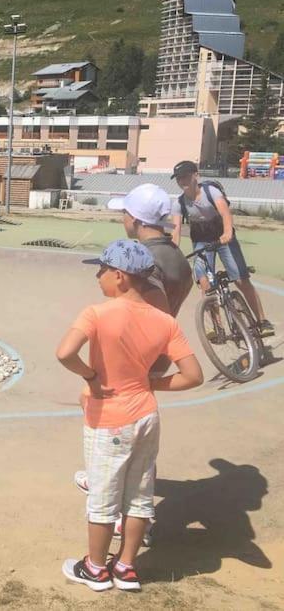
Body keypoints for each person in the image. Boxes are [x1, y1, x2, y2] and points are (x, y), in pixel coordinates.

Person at [57, 240, 203, 592]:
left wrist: (90, 376)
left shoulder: (96, 313)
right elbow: (193, 375)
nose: (98, 276)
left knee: (103, 497)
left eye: (102, 270)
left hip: (109, 417)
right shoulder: (165, 322)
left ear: (120, 277)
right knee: (140, 495)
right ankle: (125, 567)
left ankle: (95, 568)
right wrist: (152, 383)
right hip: (146, 415)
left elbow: (65, 353)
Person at [170, 160, 274, 337]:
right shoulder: (179, 203)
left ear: (196, 175)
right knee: (205, 283)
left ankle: (262, 321)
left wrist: (227, 234)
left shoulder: (211, 192)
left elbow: (226, 214)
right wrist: (173, 252)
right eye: (179, 178)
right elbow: (176, 230)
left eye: (186, 176)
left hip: (224, 238)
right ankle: (216, 326)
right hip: (201, 241)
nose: (182, 181)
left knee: (241, 280)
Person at [107, 183, 193, 317]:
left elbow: (151, 317)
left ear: (134, 217)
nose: (123, 218)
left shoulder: (144, 262)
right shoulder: (178, 256)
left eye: (125, 212)